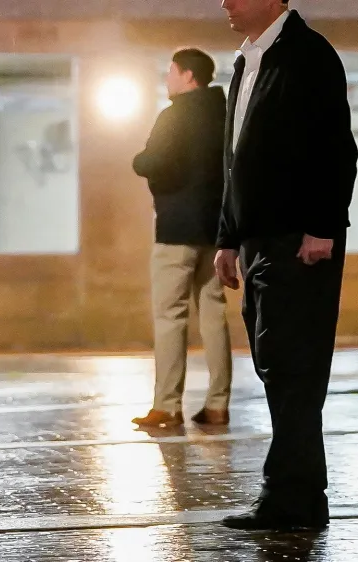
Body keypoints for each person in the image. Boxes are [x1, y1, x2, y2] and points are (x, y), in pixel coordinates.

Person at [215, 0, 358, 531]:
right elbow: (233, 159)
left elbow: (336, 148)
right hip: (256, 238)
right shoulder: (246, 60)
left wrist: (322, 225)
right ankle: (298, 494)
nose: (225, 2)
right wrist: (228, 238)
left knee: (292, 366)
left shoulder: (307, 55)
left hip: (299, 238)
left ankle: (291, 497)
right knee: (275, 364)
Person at [132, 48, 233, 429]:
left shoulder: (174, 115)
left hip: (177, 228)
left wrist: (139, 162)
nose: (167, 79)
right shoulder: (224, 115)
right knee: (214, 312)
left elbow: (153, 161)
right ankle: (218, 403)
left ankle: (167, 405)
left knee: (170, 315)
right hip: (217, 228)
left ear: (188, 76)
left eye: (171, 72)